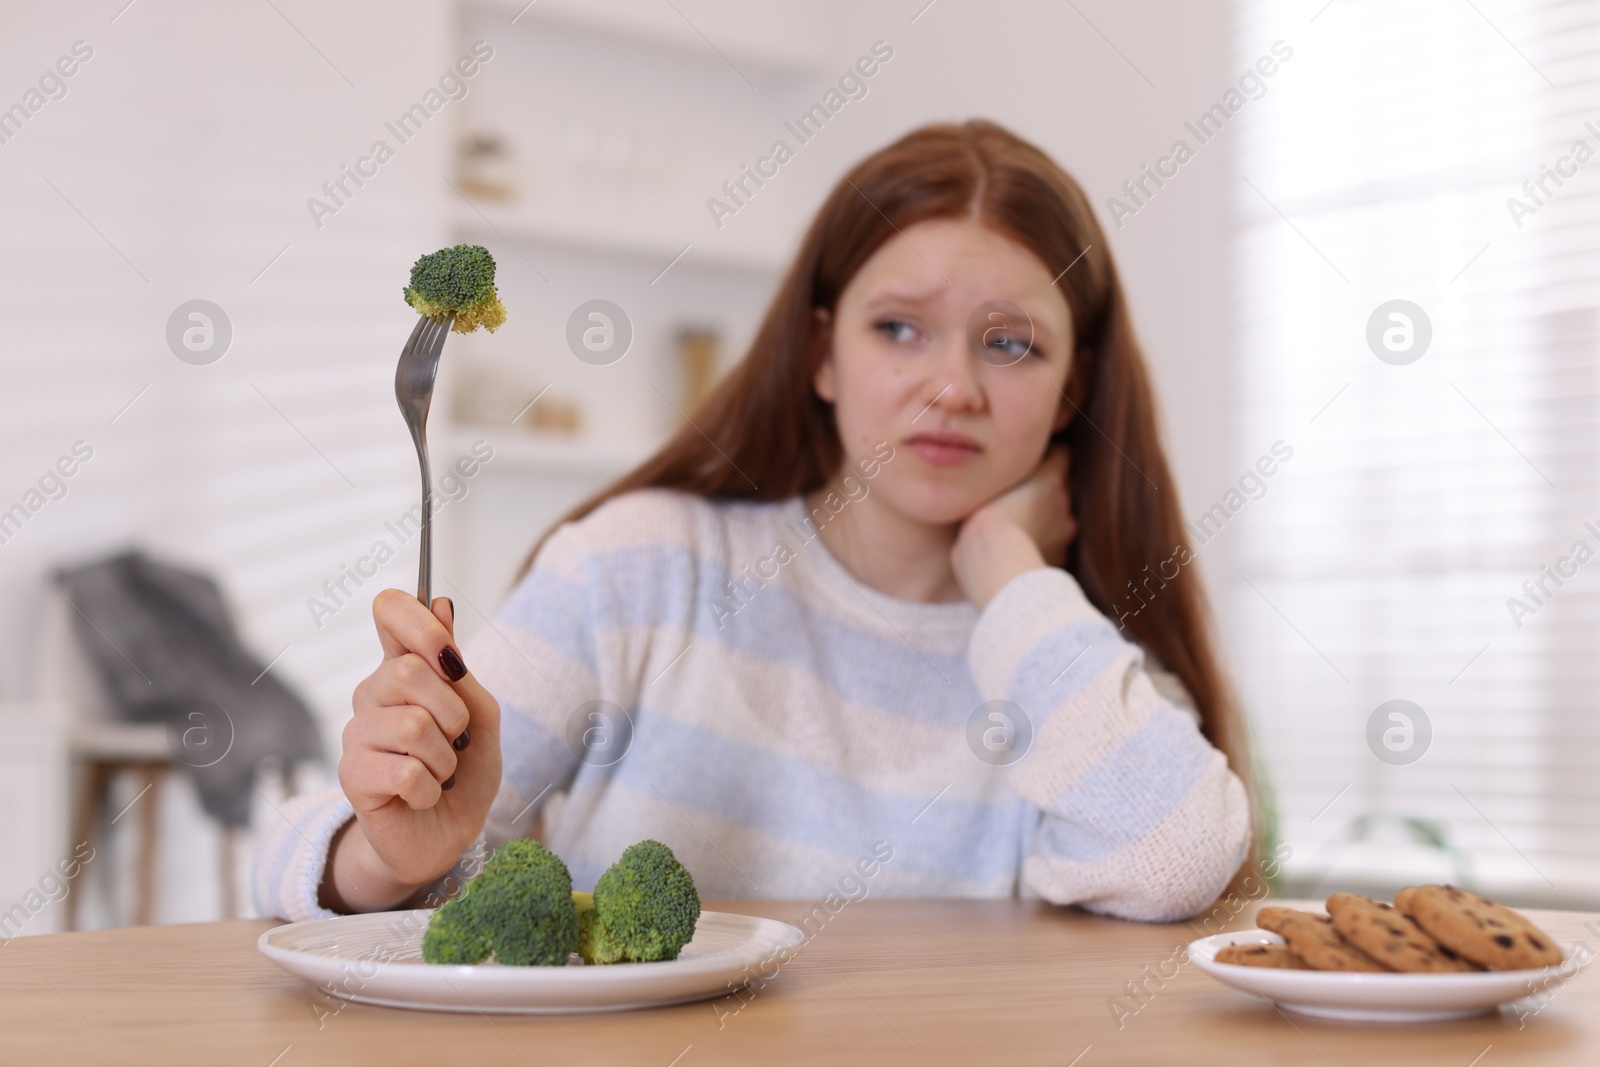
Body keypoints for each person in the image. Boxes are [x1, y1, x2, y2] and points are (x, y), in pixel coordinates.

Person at [254, 119, 1252, 925]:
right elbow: (296, 856)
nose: (951, 387)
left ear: (1073, 381)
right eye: (897, 327)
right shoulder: (639, 568)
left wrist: (1006, 570)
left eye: (1010, 344)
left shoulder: (1067, 659)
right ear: (822, 353)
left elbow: (1175, 856)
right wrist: (391, 857)